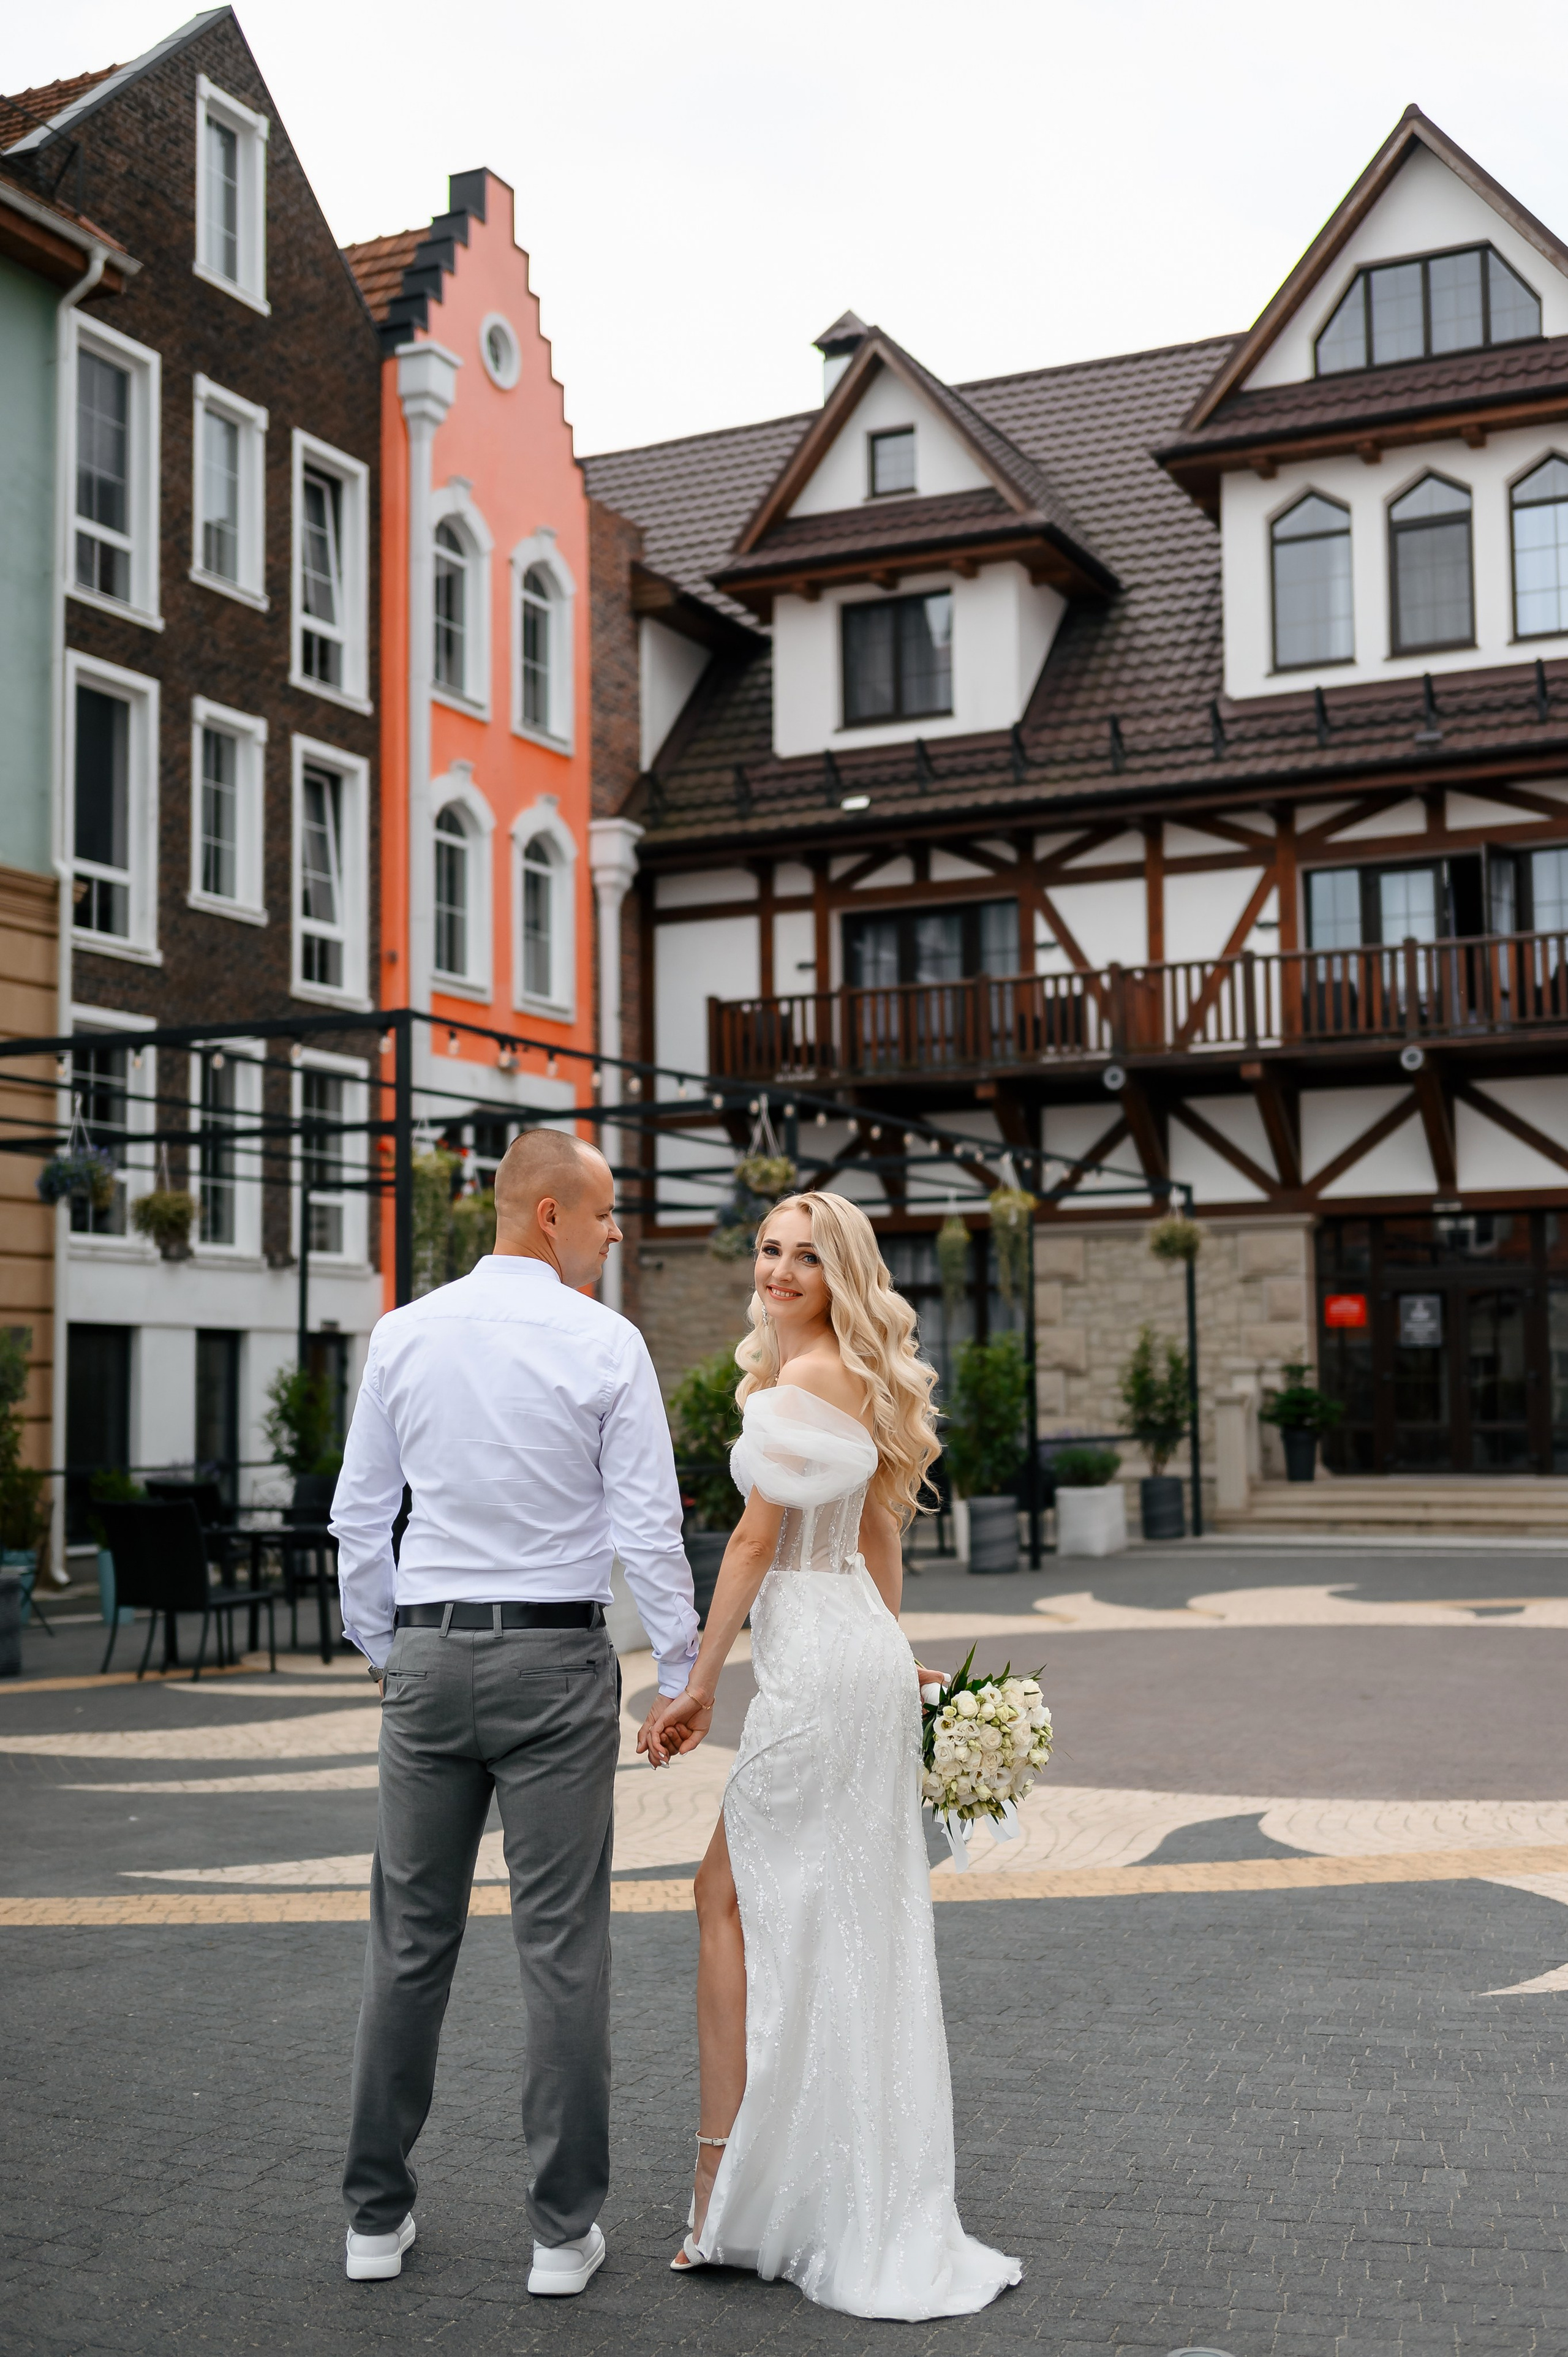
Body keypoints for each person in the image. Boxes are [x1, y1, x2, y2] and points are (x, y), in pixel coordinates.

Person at [639, 1190, 1022, 2318]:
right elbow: (878, 1535)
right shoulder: (855, 1381)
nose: (779, 1269)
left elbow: (758, 1540)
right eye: (768, 1250)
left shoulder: (799, 1386)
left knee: (728, 1901)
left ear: (841, 1271)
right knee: (839, 1919)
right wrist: (896, 1660)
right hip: (853, 1658)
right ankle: (802, 2185)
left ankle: (723, 2190)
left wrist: (698, 1683)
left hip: (816, 1671)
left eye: (807, 1256)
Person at [331, 1128, 699, 2296]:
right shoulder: (606, 1341)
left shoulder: (402, 1332)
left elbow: (356, 1519)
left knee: (407, 1945)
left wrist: (394, 1651)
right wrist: (682, 1671)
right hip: (553, 1662)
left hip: (431, 1658)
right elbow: (648, 1525)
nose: (615, 1232)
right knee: (562, 1951)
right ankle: (558, 2237)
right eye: (603, 1215)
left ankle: (374, 2224)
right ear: (550, 1216)